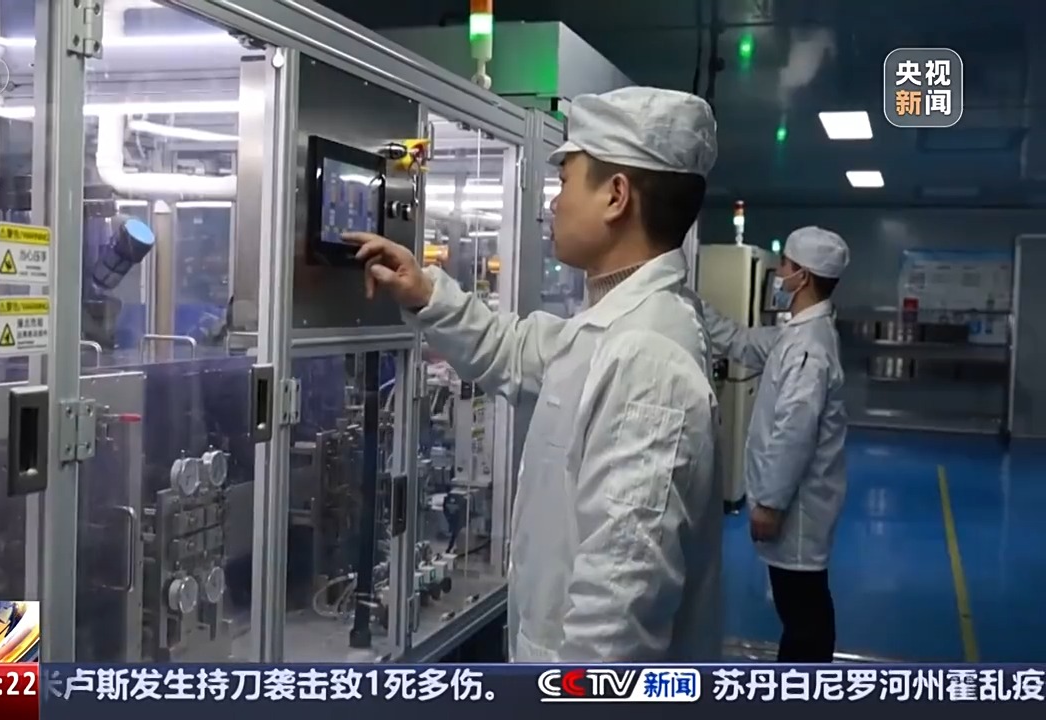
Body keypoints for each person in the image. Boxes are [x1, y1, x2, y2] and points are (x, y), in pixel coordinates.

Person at [344, 86, 722, 662]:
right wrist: (425, 292)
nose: (553, 202)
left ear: (616, 196)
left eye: (565, 180)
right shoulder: (612, 328)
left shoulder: (648, 362)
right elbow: (516, 350)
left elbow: (615, 613)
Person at [700, 226, 850, 662]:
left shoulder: (809, 349)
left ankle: (798, 691)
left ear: (803, 277)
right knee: (802, 610)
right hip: (796, 504)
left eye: (784, 266)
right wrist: (693, 304)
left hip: (797, 510)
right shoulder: (799, 334)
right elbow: (741, 341)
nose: (778, 275)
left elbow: (793, 433)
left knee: (804, 616)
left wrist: (769, 503)